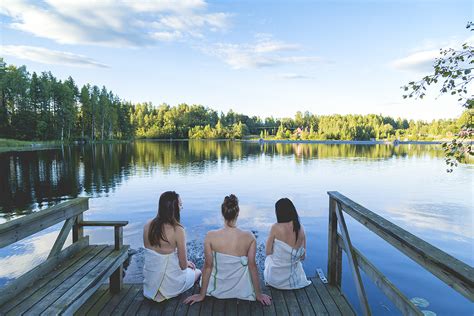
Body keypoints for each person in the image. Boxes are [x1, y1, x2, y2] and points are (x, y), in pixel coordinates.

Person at [184, 194, 272, 306]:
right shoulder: (249, 237)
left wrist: (201, 295)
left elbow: (208, 266)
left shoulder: (210, 236)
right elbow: (252, 266)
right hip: (242, 288)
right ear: (238, 213)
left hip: (217, 288)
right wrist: (259, 294)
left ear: (222, 213)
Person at [143, 191, 201, 302]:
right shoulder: (178, 230)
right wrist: (186, 262)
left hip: (150, 286)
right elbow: (183, 266)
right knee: (197, 272)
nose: (181, 207)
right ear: (173, 209)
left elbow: (153, 256)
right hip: (170, 288)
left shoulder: (147, 226)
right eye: (180, 205)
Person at [264, 198, 311, 289]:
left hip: (275, 281)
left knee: (268, 259)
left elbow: (267, 252)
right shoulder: (301, 229)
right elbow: (303, 257)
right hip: (294, 281)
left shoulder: (275, 227)